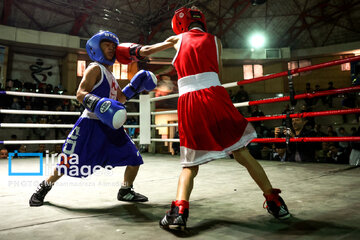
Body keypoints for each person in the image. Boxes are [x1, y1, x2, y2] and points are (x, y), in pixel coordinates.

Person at [116, 6, 290, 231]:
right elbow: (219, 73)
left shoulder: (177, 39)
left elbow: (147, 50)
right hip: (216, 95)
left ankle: (178, 213)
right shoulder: (216, 41)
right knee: (242, 153)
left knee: (190, 165)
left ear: (180, 24)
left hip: (190, 100)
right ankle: (276, 203)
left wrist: (129, 51)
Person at [29, 31, 157, 207]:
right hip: (90, 123)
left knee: (134, 158)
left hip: (111, 124)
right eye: (107, 45)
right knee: (68, 161)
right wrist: (99, 104)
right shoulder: (94, 68)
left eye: (113, 46)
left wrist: (134, 87)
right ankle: (43, 188)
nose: (111, 48)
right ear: (97, 47)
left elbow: (119, 99)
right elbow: (80, 94)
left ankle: (125, 191)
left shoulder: (110, 74)